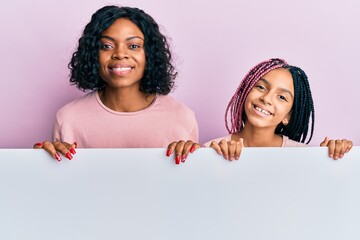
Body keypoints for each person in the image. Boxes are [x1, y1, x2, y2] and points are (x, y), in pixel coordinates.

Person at [34, 5, 198, 161]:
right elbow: (60, 184)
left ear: (149, 54)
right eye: (107, 46)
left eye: (133, 46)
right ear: (93, 54)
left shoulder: (181, 117)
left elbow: (191, 184)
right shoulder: (68, 118)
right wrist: (37, 163)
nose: (120, 54)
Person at [166, 58, 352, 164]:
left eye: (282, 97)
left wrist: (334, 159)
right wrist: (197, 159)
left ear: (288, 116)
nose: (266, 98)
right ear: (246, 92)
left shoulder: (303, 156)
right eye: (261, 87)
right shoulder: (213, 150)